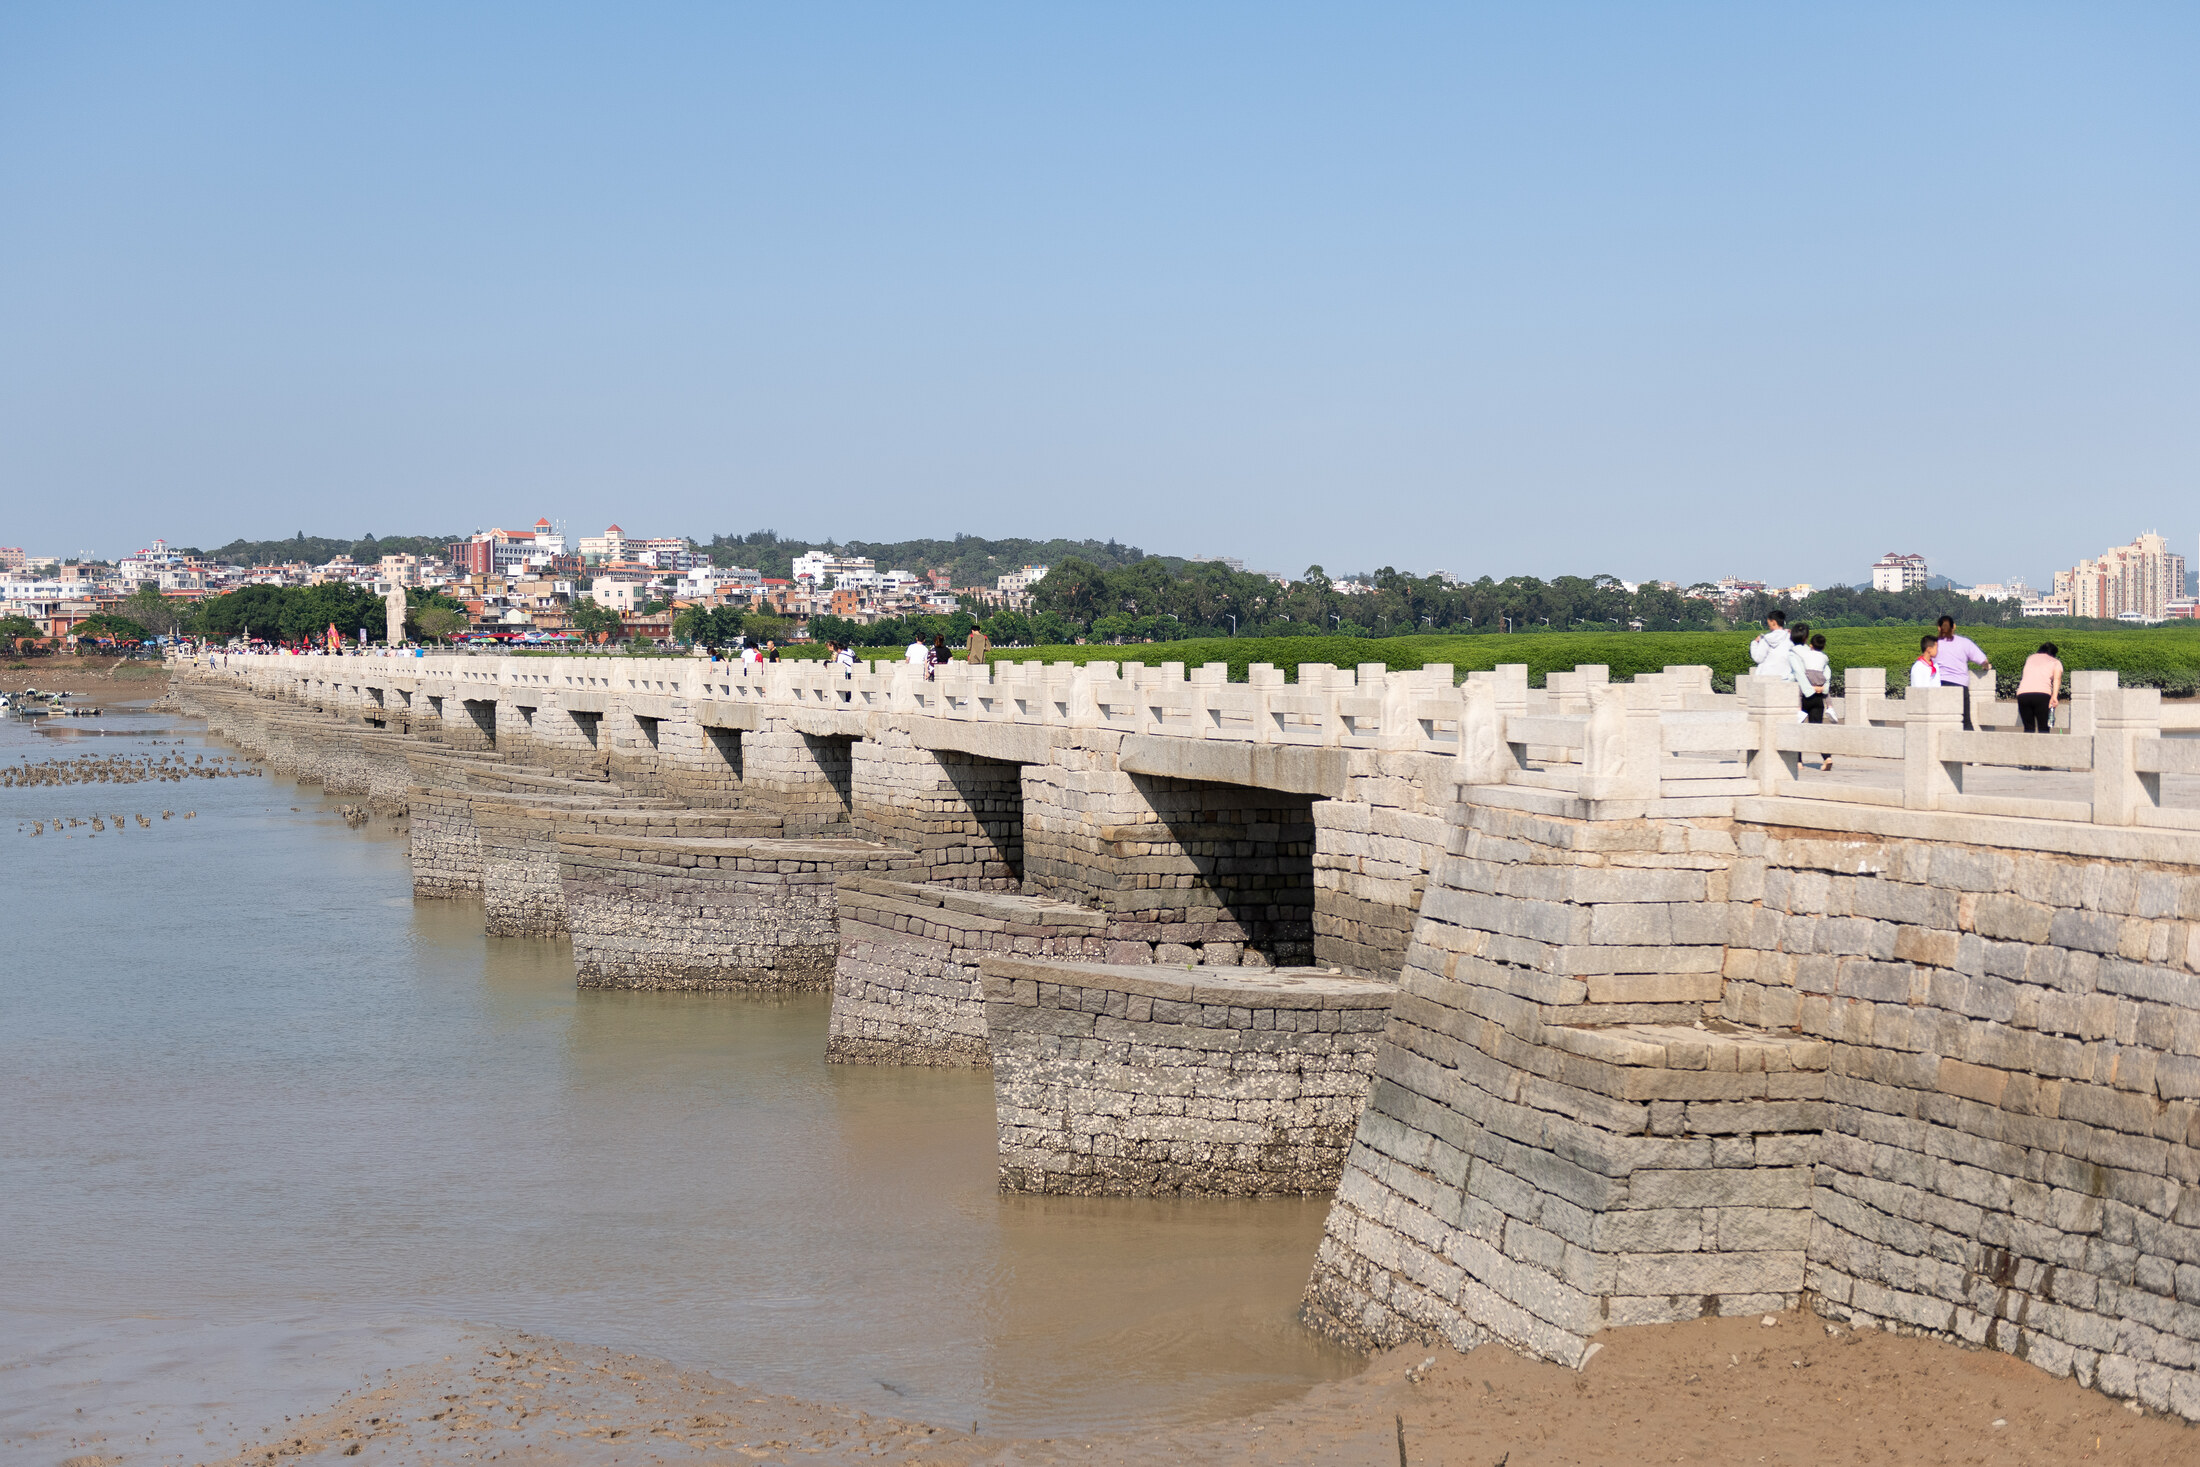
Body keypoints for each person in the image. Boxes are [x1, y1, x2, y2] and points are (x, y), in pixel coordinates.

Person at [1932, 615, 1993, 731]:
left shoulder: (1934, 645)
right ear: (1954, 626)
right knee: (1965, 722)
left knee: (1942, 722)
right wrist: (1987, 666)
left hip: (1939, 686)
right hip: (1959, 686)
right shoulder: (1964, 643)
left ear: (1939, 628)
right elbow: (1982, 661)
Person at [1794, 628, 1833, 771]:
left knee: (1798, 729)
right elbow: (1826, 681)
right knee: (1817, 729)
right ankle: (1827, 757)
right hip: (1818, 699)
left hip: (1804, 698)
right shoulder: (1824, 661)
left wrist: (1798, 703)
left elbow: (1800, 679)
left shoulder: (1804, 659)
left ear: (1811, 645)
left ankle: (1798, 761)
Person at [2016, 641, 2063, 736]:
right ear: (2053, 654)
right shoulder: (2055, 662)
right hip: (2042, 695)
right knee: (2043, 729)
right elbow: (2057, 679)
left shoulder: (2030, 658)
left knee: (2028, 729)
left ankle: (2027, 750)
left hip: (2023, 694)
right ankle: (2043, 750)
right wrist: (2054, 696)